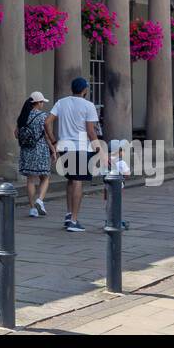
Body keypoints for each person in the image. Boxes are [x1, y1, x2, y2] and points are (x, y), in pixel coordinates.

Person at [48, 76, 101, 233]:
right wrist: (99, 148)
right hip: (81, 147)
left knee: (71, 180)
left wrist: (53, 140)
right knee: (78, 181)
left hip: (64, 146)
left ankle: (69, 214)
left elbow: (47, 121)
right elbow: (91, 131)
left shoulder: (61, 102)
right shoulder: (88, 105)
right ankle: (74, 220)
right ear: (85, 89)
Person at [16, 92, 53, 217]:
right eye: (42, 102)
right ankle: (40, 200)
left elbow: (16, 134)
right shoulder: (43, 116)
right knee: (45, 177)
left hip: (26, 150)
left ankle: (32, 208)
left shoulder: (23, 116)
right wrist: (53, 149)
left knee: (30, 180)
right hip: (40, 149)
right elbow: (47, 136)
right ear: (38, 103)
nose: (43, 104)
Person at [101, 142, 130, 230]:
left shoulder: (105, 162)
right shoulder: (122, 163)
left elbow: (102, 173)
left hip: (107, 186)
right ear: (119, 152)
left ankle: (108, 220)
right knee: (117, 203)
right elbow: (127, 174)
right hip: (118, 186)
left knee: (108, 203)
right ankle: (117, 221)